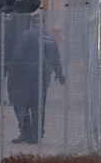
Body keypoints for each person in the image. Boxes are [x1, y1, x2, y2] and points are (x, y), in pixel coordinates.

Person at [7, 15, 64, 144]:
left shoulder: (25, 35)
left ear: (31, 23)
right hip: (43, 76)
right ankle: (37, 134)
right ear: (43, 24)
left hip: (25, 75)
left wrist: (13, 73)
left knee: (21, 103)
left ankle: (25, 131)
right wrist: (59, 74)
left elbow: (18, 56)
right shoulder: (49, 38)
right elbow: (55, 58)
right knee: (38, 105)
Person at [0, 0, 42, 105]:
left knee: (7, 69)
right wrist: (28, 11)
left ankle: (3, 97)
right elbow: (38, 3)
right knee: (20, 69)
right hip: (23, 35)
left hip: (8, 41)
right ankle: (21, 97)